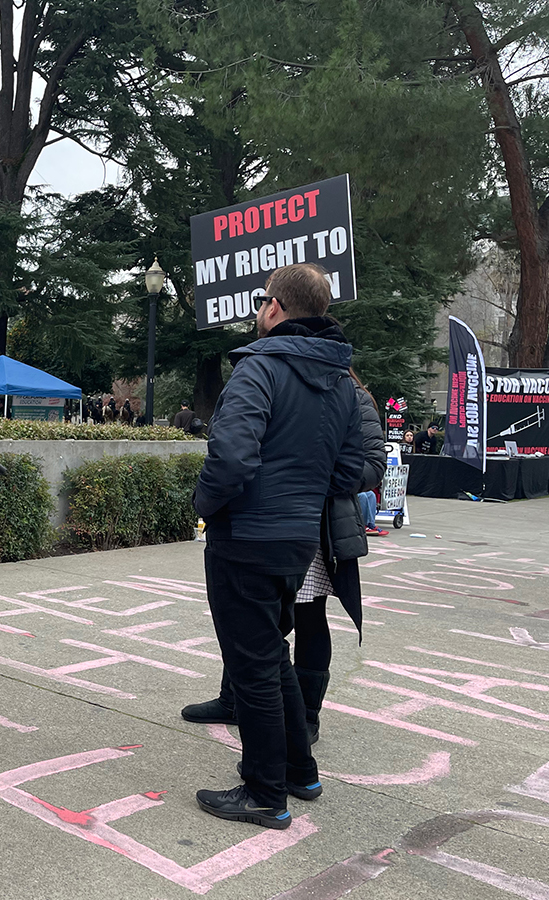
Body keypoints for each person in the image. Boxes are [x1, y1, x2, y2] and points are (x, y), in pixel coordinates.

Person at [189, 263, 364, 830]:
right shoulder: (341, 380)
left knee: (254, 666)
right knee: (270, 656)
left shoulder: (258, 367)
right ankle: (299, 770)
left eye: (262, 301)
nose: (258, 310)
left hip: (246, 536)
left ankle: (264, 792)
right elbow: (350, 469)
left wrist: (205, 505)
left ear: (276, 308)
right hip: (298, 540)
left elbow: (232, 456)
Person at [184, 368, 386, 745]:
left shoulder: (352, 396)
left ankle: (306, 717)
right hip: (272, 518)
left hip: (318, 523)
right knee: (253, 620)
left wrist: (308, 475)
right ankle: (234, 699)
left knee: (309, 616)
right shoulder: (281, 384)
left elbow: (373, 467)